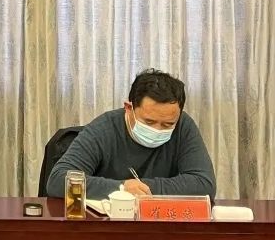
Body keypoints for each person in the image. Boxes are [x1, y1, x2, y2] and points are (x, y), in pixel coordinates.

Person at [46, 68, 216, 199]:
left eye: (167, 124)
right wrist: (121, 188)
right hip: (107, 224)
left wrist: (141, 188)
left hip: (161, 224)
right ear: (129, 108)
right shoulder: (103, 129)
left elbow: (204, 184)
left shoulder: (183, 126)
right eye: (149, 122)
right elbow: (58, 181)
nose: (158, 129)